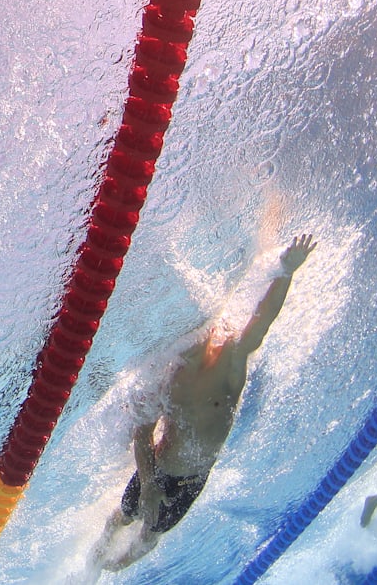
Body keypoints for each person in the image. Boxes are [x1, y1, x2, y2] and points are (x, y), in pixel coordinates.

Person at [91, 234, 317, 572]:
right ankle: (94, 560)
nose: (185, 349)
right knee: (123, 516)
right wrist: (150, 485)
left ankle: (114, 568)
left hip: (194, 477)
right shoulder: (165, 377)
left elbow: (262, 321)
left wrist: (287, 272)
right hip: (159, 469)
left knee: (150, 538)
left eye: (195, 339)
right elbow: (142, 435)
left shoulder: (231, 362)